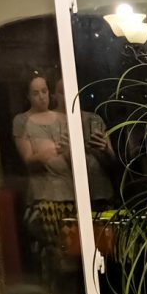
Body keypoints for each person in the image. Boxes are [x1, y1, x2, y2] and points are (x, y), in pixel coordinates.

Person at [12, 72, 79, 294]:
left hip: (71, 193)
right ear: (27, 95)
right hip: (44, 195)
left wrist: (66, 151)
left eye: (45, 91)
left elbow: (76, 158)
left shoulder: (62, 118)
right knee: (53, 252)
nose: (41, 96)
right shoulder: (22, 121)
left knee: (75, 251)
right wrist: (47, 152)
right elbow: (28, 158)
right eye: (35, 92)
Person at [54, 79, 117, 208]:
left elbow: (113, 163)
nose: (68, 95)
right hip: (68, 196)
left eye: (72, 91)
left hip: (101, 194)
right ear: (54, 96)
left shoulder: (94, 119)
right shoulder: (52, 122)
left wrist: (105, 149)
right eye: (62, 92)